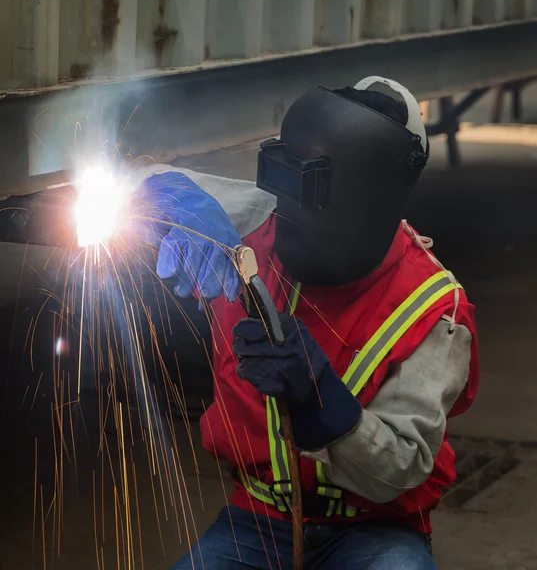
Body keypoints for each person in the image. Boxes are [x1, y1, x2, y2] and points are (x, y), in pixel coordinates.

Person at [133, 76, 479, 569]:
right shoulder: (252, 220)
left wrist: (320, 399)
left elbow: (398, 470)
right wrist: (162, 194)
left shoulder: (433, 309)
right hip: (259, 517)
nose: (291, 210)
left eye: (314, 188)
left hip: (373, 527)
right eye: (287, 179)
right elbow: (114, 179)